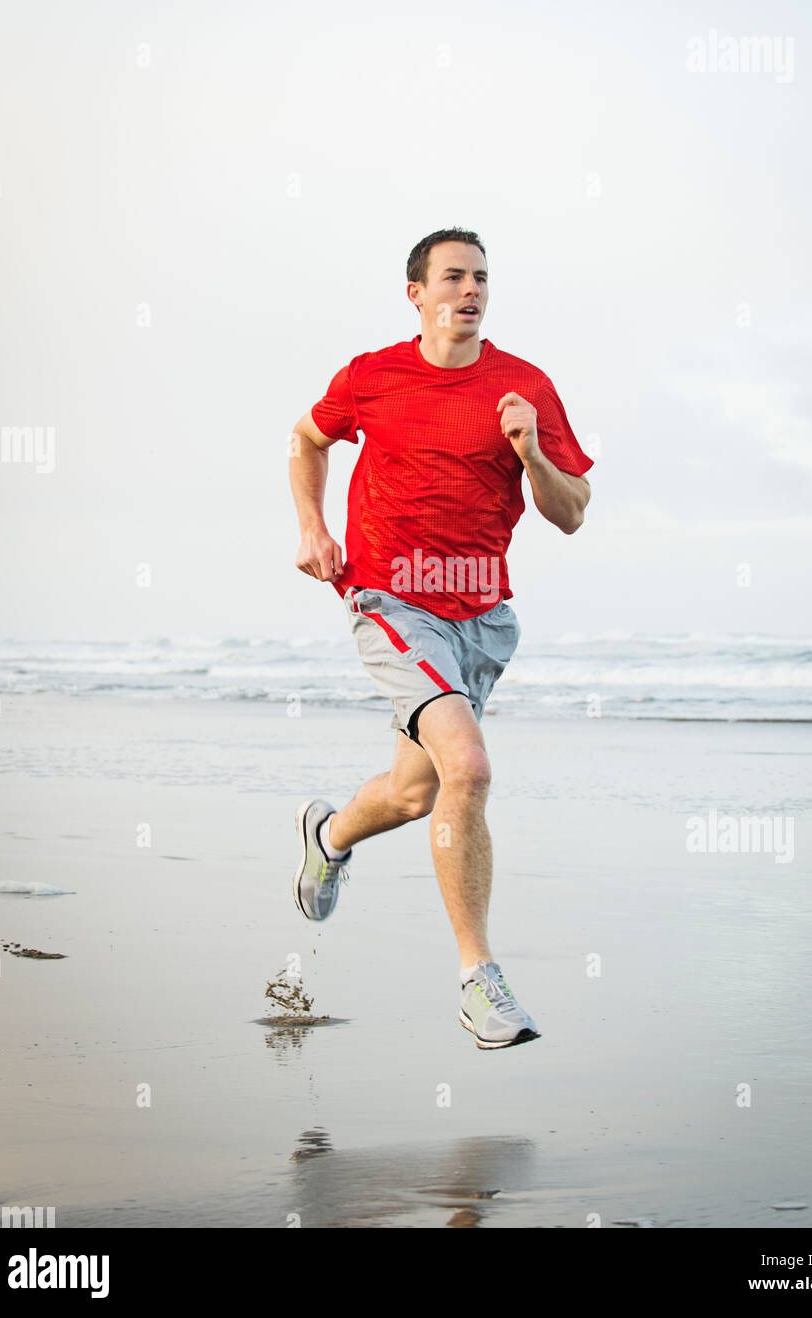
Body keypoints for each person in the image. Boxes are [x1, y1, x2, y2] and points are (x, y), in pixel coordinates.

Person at [288, 227, 593, 1049]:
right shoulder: (371, 376)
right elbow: (308, 439)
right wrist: (314, 528)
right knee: (470, 766)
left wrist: (530, 451)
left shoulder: (524, 387)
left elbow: (569, 514)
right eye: (453, 277)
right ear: (416, 293)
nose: (470, 290)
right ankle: (477, 981)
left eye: (481, 279)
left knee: (419, 792)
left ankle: (328, 834)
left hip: (483, 619)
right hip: (391, 597)